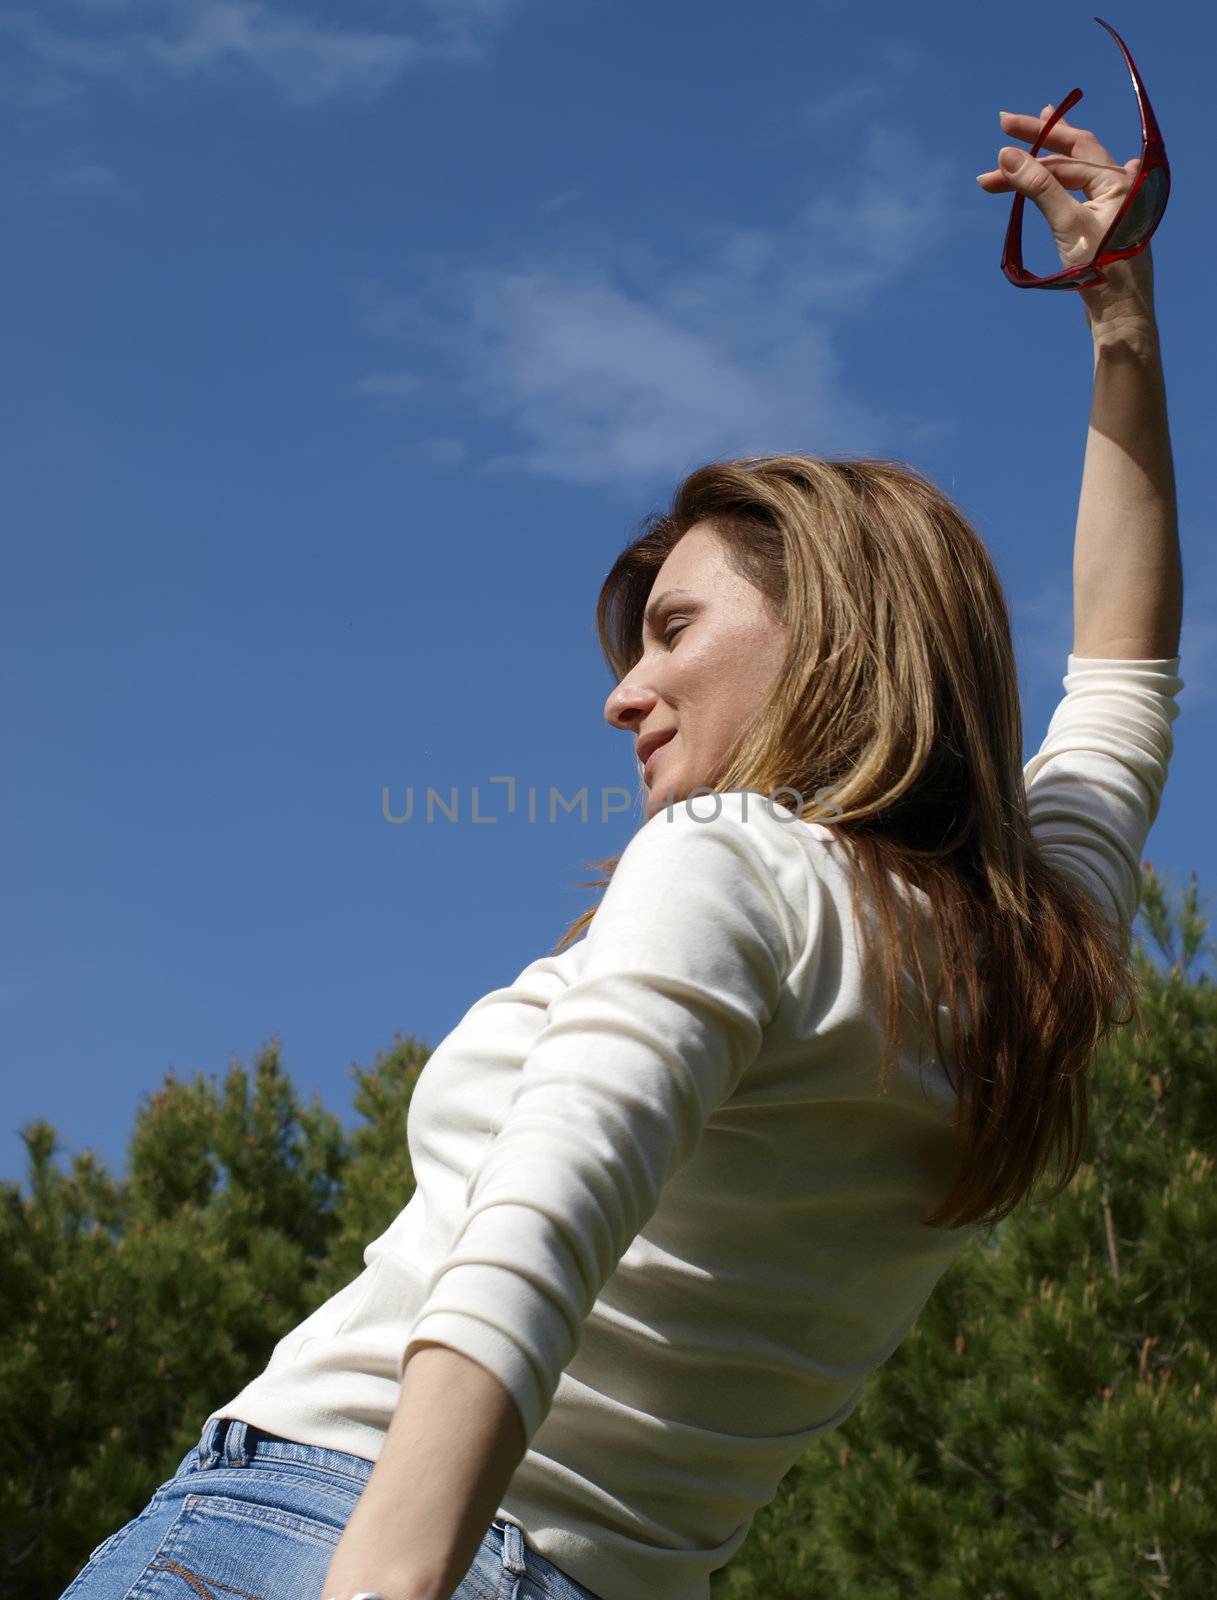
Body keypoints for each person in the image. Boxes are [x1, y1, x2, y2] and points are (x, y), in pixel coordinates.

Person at [58, 105, 1183, 1600]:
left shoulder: (736, 862)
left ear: (832, 634)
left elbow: (534, 1241)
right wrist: (1119, 316)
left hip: (321, 1533)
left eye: (672, 631)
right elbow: (1121, 673)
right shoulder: (1027, 952)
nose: (620, 694)